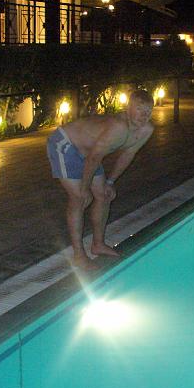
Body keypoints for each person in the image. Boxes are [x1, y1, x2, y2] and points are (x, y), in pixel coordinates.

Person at [46, 89, 154, 270]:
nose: (144, 115)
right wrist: (84, 188)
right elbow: (94, 158)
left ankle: (98, 244)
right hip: (65, 144)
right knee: (80, 198)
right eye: (139, 109)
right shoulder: (118, 127)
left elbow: (128, 154)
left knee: (104, 195)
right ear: (128, 107)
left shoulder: (146, 130)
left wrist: (110, 182)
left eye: (148, 111)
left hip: (89, 153)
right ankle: (79, 255)